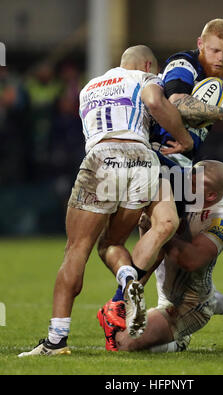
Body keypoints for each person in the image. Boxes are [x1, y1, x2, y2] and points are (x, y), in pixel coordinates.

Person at [18, 45, 197, 357]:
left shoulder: (88, 88)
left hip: (104, 156)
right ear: (146, 64)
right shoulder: (145, 77)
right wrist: (184, 138)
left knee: (77, 249)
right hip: (142, 161)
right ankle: (130, 282)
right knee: (111, 243)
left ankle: (56, 340)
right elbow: (155, 102)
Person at [98, 160, 223, 352]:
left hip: (189, 306)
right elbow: (154, 250)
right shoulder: (180, 190)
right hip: (171, 293)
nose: (186, 185)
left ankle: (179, 342)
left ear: (211, 195)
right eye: (187, 177)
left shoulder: (220, 220)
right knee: (119, 323)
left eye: (194, 184)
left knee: (122, 344)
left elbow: (190, 260)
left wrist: (163, 229)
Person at [151, 18, 223, 169]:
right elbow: (177, 104)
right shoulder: (183, 64)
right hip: (158, 154)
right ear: (200, 44)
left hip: (182, 160)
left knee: (220, 175)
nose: (221, 58)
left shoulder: (215, 80)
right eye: (215, 51)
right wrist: (220, 112)